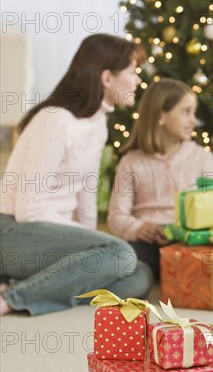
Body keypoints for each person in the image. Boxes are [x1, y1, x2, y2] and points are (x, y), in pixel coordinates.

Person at [0, 34, 153, 316]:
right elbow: (28, 210)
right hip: (12, 230)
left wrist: (92, 245)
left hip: (46, 234)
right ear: (107, 78)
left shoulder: (97, 124)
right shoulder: (56, 120)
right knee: (121, 255)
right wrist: (92, 245)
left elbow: (85, 195)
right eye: (132, 72)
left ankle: (29, 284)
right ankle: (12, 298)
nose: (137, 81)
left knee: (139, 274)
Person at [107, 78, 213, 279]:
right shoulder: (131, 162)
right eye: (186, 112)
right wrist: (139, 228)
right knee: (125, 266)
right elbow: (116, 217)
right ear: (160, 115)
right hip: (145, 244)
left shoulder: (202, 157)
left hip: (189, 243)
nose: (193, 120)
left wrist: (185, 231)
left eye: (193, 112)